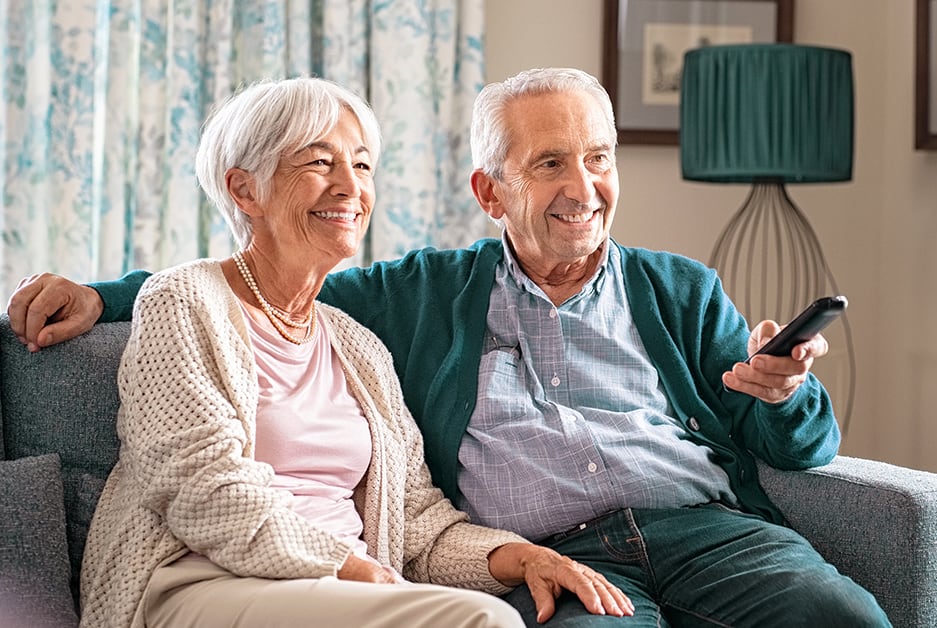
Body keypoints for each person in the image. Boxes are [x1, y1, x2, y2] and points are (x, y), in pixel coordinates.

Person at [7, 68, 890, 627]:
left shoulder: (681, 290)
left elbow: (796, 448)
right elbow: (253, 281)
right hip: (551, 550)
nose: (583, 187)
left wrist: (785, 395)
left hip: (708, 534)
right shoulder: (413, 297)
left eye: (599, 158)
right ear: (489, 190)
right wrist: (99, 294)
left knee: (836, 612)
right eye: (549, 164)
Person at [57, 76, 633, 628]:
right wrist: (355, 568)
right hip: (202, 582)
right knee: (480, 621)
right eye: (318, 162)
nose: (349, 187)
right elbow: (201, 490)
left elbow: (418, 527)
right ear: (244, 189)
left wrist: (525, 556)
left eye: (361, 165)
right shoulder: (183, 301)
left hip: (339, 593)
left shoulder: (356, 346)